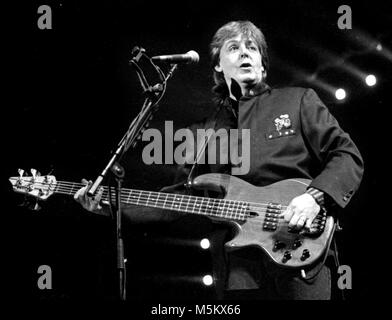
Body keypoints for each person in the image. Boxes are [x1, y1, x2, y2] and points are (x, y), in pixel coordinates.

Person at [74, 20, 364, 300]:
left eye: (252, 48)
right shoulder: (205, 131)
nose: (245, 53)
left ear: (263, 63)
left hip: (300, 247)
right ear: (217, 65)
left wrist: (316, 196)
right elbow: (179, 198)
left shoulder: (299, 100)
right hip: (238, 264)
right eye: (234, 48)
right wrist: (112, 205)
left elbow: (346, 154)